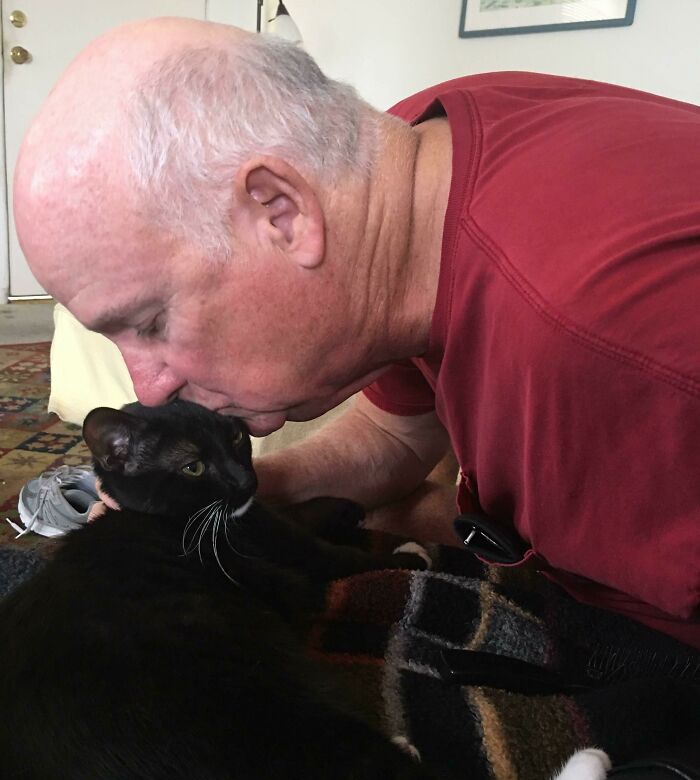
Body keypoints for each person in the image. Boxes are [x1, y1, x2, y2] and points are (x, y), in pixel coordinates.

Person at [13, 18, 700, 648]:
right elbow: (397, 433)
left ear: (282, 214)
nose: (148, 386)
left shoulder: (598, 342)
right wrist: (251, 493)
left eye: (152, 322)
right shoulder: (405, 160)